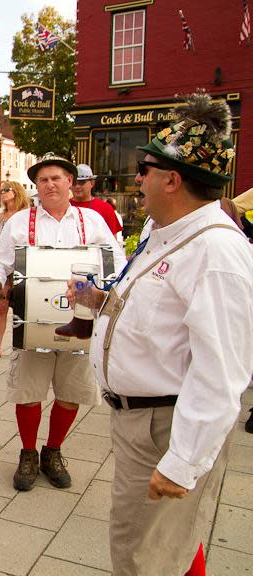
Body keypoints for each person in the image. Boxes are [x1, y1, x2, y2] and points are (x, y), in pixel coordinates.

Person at [86, 92, 253, 575]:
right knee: (168, 545)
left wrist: (184, 460)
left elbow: (223, 373)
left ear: (173, 180)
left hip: (165, 425)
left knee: (143, 557)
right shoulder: (170, 234)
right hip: (145, 423)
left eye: (144, 170)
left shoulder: (215, 252)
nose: (136, 180)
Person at [0, 153, 125, 492]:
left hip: (80, 321)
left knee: (71, 392)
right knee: (28, 392)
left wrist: (104, 287)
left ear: (70, 182)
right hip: (33, 320)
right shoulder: (20, 221)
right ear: (37, 185)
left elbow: (116, 261)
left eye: (57, 178)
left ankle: (53, 451)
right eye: (43, 179)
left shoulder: (91, 220)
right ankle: (29, 453)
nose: (50, 184)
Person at [0, 181, 30, 361]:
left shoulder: (25, 215)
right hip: (6, 267)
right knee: (1, 307)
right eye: (1, 190)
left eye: (6, 190)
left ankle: (23, 345)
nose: (2, 193)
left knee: (24, 307)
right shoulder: (0, 217)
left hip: (23, 265)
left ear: (16, 192)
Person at [71, 164, 124, 242]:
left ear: (92, 183)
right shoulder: (63, 206)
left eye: (82, 182)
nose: (77, 186)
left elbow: (112, 242)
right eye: (74, 182)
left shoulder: (106, 208)